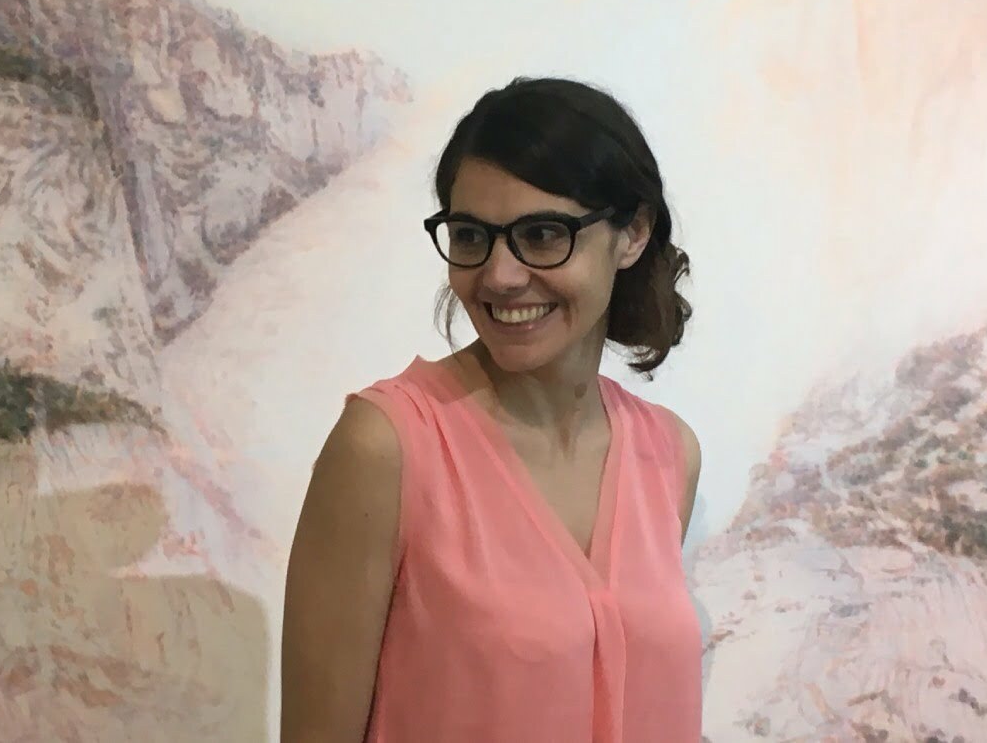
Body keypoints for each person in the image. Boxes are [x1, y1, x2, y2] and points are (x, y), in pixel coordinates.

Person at [281, 77, 703, 742]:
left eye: (543, 234)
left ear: (633, 233)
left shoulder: (669, 454)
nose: (500, 276)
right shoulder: (387, 446)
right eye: (472, 235)